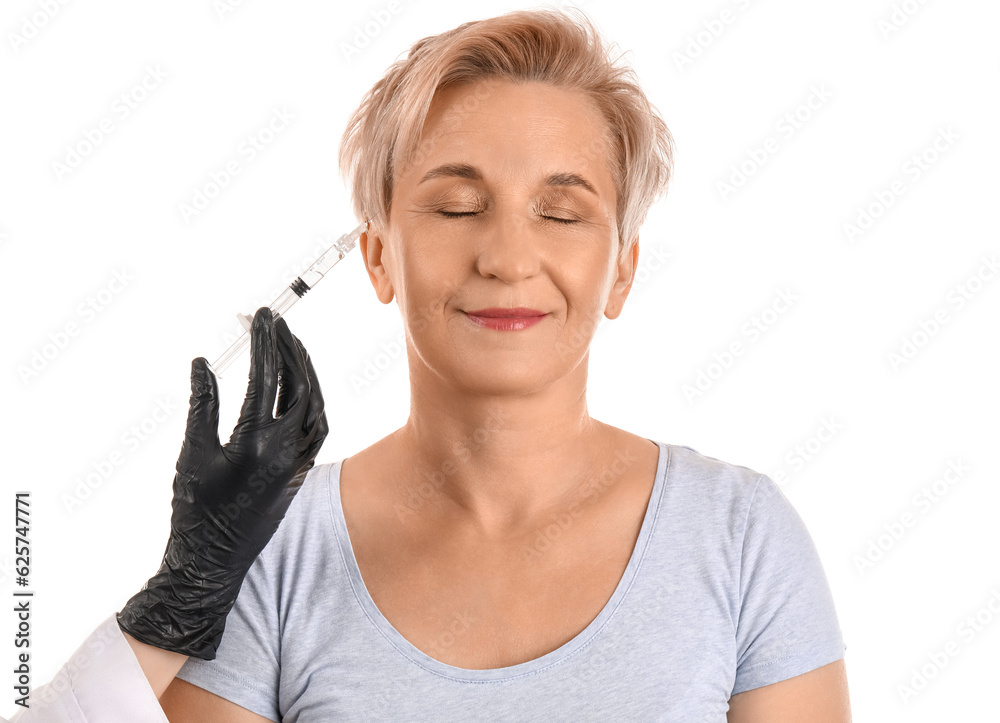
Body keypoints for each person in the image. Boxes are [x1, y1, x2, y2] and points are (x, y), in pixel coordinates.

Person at [10, 8, 850, 722]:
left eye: (560, 213)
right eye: (457, 206)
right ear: (377, 258)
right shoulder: (273, 552)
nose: (507, 256)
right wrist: (180, 597)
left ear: (622, 268)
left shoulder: (740, 538)